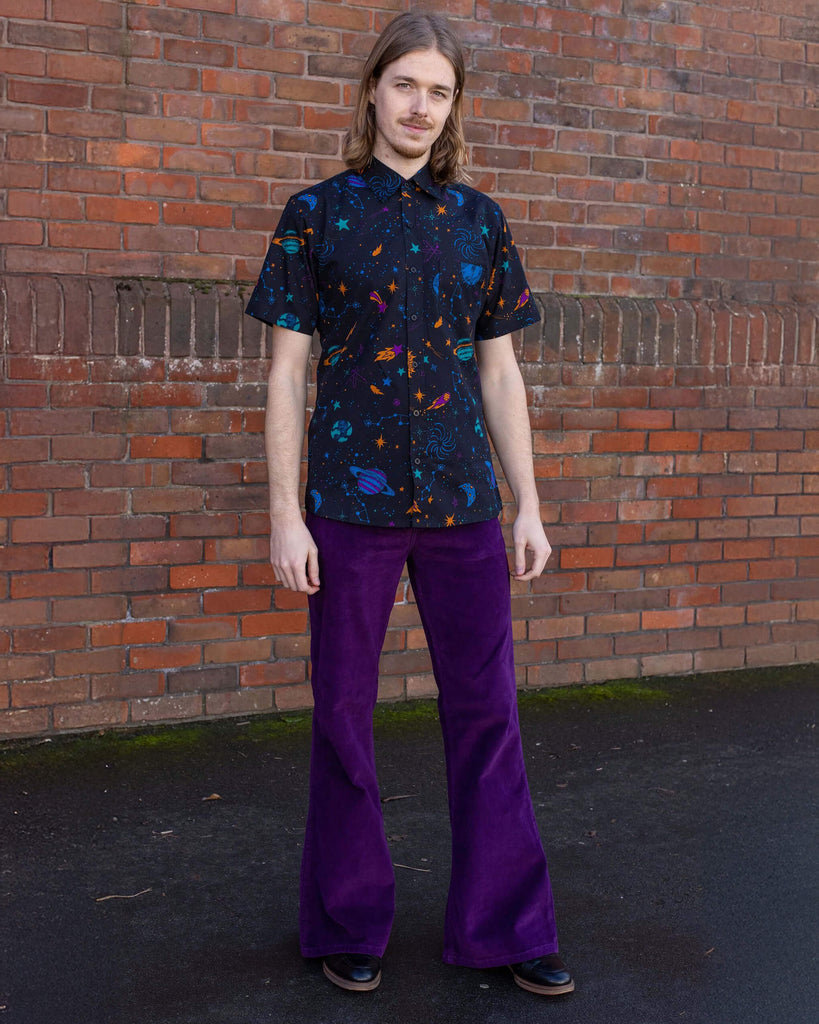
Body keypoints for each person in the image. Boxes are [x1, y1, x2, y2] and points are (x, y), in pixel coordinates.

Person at [245, 9, 574, 998]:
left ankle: (507, 925)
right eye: (405, 86)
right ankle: (348, 917)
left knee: (489, 714)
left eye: (440, 91)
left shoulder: (481, 221)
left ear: (454, 107)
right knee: (343, 712)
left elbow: (502, 374)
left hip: (466, 506)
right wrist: (282, 513)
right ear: (372, 93)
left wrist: (529, 505)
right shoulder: (315, 215)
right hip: (346, 503)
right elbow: (284, 373)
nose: (420, 107)